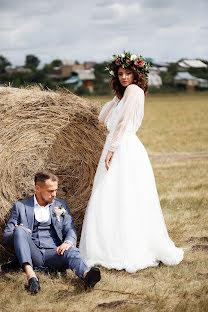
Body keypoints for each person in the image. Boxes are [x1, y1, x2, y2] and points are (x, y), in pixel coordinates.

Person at [79, 52, 183, 273]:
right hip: (116, 145)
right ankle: (110, 247)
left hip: (123, 147)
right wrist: (116, 97)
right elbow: (102, 119)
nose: (124, 77)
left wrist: (112, 150)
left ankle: (126, 248)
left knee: (121, 195)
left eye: (128, 73)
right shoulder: (125, 94)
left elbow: (124, 124)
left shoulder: (135, 91)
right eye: (120, 74)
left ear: (136, 74)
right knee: (111, 196)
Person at [2, 170, 101, 294]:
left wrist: (68, 242)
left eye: (55, 190)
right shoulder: (20, 206)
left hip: (55, 252)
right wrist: (19, 232)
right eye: (50, 191)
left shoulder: (60, 205)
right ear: (37, 188)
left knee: (71, 249)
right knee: (20, 230)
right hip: (34, 253)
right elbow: (6, 237)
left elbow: (70, 228)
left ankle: (87, 276)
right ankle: (31, 277)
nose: (54, 194)